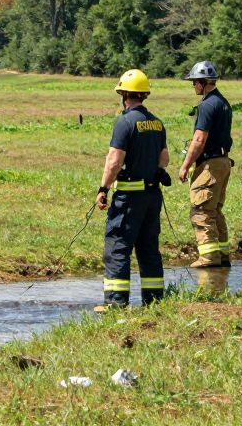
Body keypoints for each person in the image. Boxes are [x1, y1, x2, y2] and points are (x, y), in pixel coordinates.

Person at [96, 69, 170, 308]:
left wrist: (103, 189)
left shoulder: (124, 122)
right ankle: (154, 301)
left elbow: (114, 161)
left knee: (118, 247)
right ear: (143, 95)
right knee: (148, 248)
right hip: (152, 196)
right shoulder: (157, 123)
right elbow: (164, 159)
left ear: (124, 95)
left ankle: (116, 304)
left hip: (129, 197)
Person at [178, 60, 233, 268]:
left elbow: (199, 139)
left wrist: (185, 165)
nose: (193, 86)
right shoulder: (223, 102)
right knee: (215, 210)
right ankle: (222, 255)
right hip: (223, 161)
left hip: (210, 163)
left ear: (202, 82)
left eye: (194, 83)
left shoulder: (207, 105)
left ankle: (209, 258)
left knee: (201, 210)